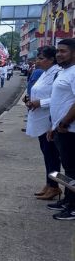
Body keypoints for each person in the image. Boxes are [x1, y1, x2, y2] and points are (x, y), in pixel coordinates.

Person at [25, 46, 62, 200]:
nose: (38, 61)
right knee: (47, 155)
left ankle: (55, 186)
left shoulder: (58, 73)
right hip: (40, 119)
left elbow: (58, 97)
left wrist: (40, 103)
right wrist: (29, 100)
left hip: (50, 120)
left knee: (53, 156)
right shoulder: (45, 73)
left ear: (51, 59)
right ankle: (50, 183)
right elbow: (37, 90)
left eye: (41, 58)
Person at [47, 38, 75, 220]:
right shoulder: (64, 72)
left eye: (63, 51)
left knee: (73, 171)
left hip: (71, 131)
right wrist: (54, 126)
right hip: (60, 129)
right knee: (68, 169)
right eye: (58, 51)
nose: (58, 54)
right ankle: (68, 199)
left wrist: (64, 123)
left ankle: (73, 207)